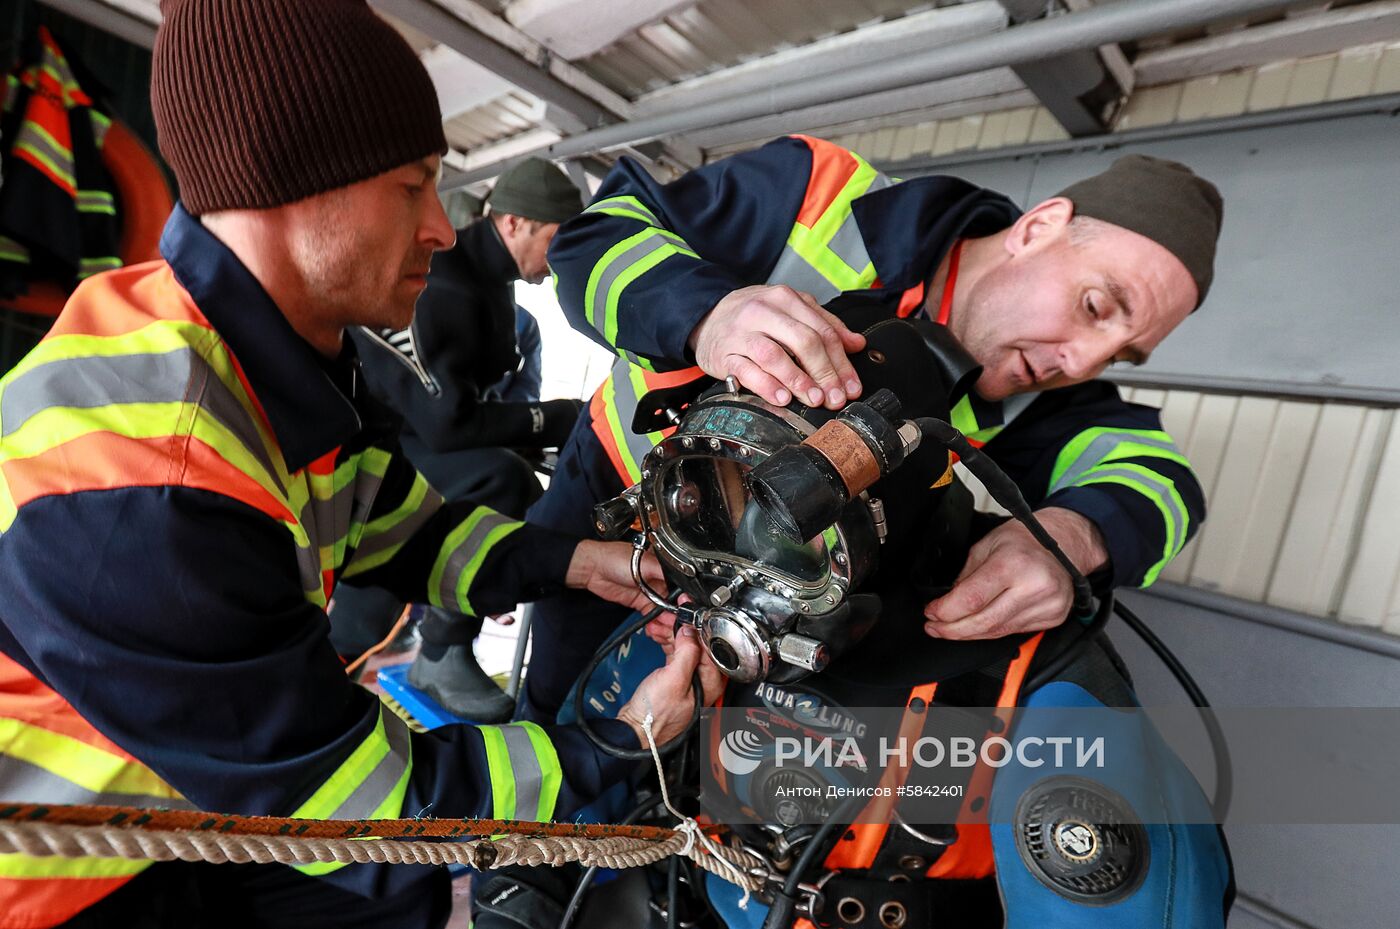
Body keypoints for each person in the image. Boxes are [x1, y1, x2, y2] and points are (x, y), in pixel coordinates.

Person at [0, 3, 716, 928]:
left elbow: (410, 528)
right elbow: (373, 805)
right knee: (383, 882)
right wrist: (622, 741)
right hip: (67, 871)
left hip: (175, 776)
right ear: (286, 184)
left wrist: (584, 562)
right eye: (413, 187)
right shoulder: (152, 483)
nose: (442, 229)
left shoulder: (279, 358)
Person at [505, 135, 1231, 926]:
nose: (1082, 360)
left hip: (776, 598)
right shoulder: (820, 195)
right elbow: (595, 236)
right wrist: (705, 311)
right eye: (1094, 306)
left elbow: (1163, 483)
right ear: (1038, 227)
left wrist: (1074, 533)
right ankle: (524, 877)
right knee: (557, 731)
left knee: (672, 773)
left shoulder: (1052, 404)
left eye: (1122, 353)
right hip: (617, 519)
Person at [338, 158, 585, 721]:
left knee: (524, 486)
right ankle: (441, 651)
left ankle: (453, 627)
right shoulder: (443, 282)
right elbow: (447, 425)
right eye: (556, 239)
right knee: (501, 479)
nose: (561, 259)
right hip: (364, 452)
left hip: (405, 440)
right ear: (514, 223)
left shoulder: (489, 284)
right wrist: (558, 418)